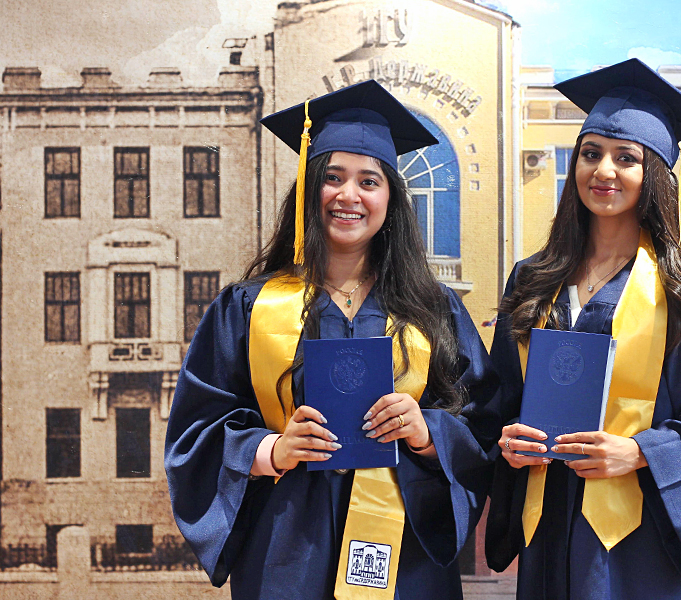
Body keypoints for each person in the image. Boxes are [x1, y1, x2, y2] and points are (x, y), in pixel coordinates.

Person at [164, 80, 499, 600]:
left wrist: (427, 431)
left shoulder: (434, 309)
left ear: (390, 198)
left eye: (369, 181)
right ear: (307, 190)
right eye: (332, 177)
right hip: (286, 546)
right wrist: (272, 449)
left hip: (404, 552)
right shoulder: (247, 308)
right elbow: (195, 430)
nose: (349, 196)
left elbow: (485, 421)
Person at [485, 59, 681, 600]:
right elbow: (498, 400)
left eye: (627, 158)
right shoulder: (533, 280)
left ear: (656, 174)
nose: (604, 171)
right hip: (548, 527)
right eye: (590, 154)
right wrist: (508, 441)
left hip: (646, 538)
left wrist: (643, 452)